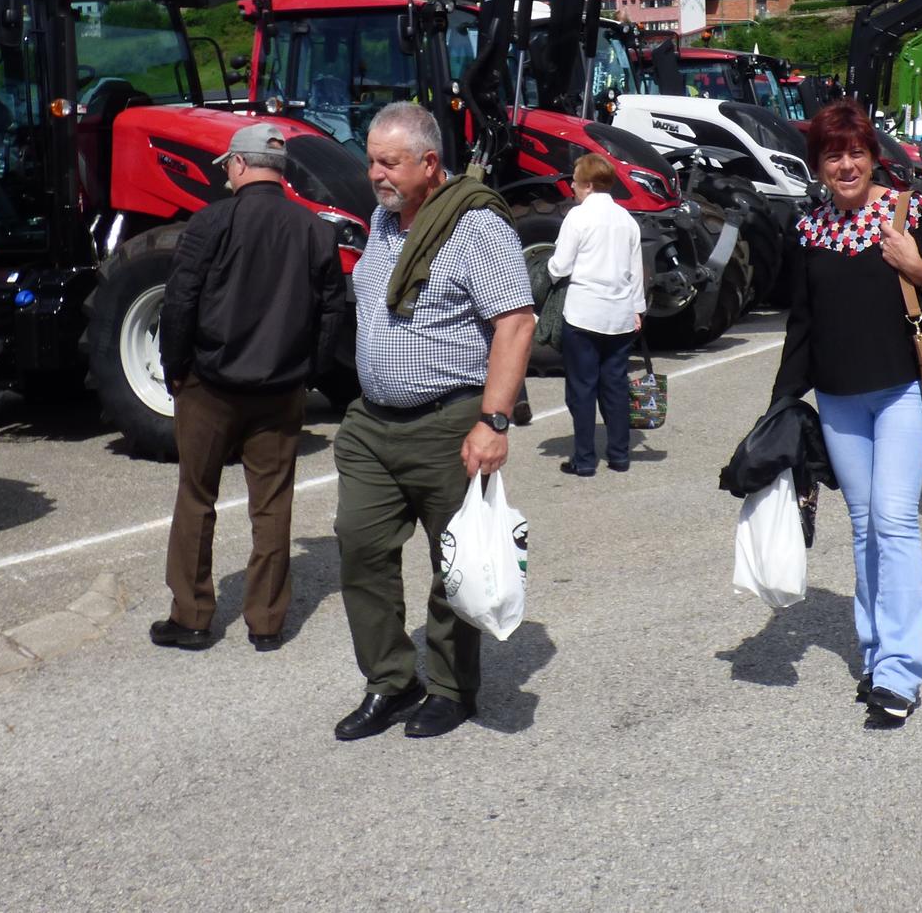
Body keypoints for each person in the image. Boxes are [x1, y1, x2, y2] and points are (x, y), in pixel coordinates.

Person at [333, 103, 536, 741]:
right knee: (360, 548)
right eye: (371, 161)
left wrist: (494, 421)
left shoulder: (474, 226)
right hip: (372, 424)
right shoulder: (384, 221)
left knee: (456, 562)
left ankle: (451, 687)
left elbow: (517, 321)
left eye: (389, 162)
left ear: (429, 162)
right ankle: (392, 681)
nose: (375, 174)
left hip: (447, 421)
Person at [771, 100, 922, 728]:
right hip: (837, 397)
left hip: (901, 389)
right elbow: (801, 323)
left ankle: (903, 672)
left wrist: (919, 268)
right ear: (819, 165)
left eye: (856, 152)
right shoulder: (808, 231)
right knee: (861, 526)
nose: (847, 164)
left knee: (893, 520)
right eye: (834, 155)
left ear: (873, 156)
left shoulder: (909, 212)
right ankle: (877, 651)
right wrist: (779, 405)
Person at [154, 123, 347, 652]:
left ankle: (192, 616)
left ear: (238, 165)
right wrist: (311, 369)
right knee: (272, 501)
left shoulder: (210, 221)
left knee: (197, 496)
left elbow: (180, 301)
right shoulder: (314, 229)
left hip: (210, 384)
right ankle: (266, 622)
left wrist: (176, 368)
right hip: (282, 386)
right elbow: (332, 308)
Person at [547, 154, 646, 477]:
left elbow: (560, 266)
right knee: (615, 385)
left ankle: (585, 459)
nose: (572, 187)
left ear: (588, 186)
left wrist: (546, 271)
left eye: (575, 181)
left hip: (583, 313)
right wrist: (637, 309)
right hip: (619, 315)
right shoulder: (626, 219)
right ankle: (619, 455)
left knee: (582, 387)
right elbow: (636, 271)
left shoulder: (577, 217)